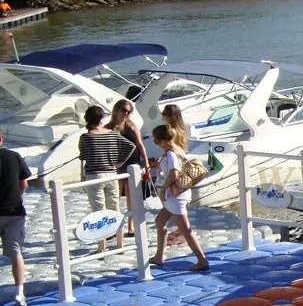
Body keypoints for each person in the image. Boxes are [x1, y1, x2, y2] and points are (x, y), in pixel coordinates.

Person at [148, 124, 208, 272]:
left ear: (163, 140)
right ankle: (159, 256)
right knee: (160, 221)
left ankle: (202, 260)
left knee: (185, 229)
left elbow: (174, 172)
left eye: (156, 141)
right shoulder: (178, 149)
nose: (156, 144)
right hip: (179, 194)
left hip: (175, 195)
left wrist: (164, 188)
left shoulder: (170, 153)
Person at [78, 105, 136, 253]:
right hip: (111, 173)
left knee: (98, 211)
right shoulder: (112, 134)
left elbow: (83, 156)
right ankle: (120, 244)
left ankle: (102, 247)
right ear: (101, 119)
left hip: (94, 176)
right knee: (115, 208)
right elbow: (130, 146)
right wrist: (119, 162)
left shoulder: (86, 137)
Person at [109, 98, 150, 236]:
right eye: (124, 110)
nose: (126, 114)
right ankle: (116, 226)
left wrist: (146, 163)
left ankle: (130, 226)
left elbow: (140, 144)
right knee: (115, 196)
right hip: (116, 164)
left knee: (130, 195)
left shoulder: (132, 126)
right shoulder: (109, 128)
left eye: (129, 111)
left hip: (132, 163)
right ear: (116, 110)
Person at [0, 132, 31, 306]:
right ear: (1, 139)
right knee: (16, 253)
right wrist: (17, 197)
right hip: (14, 211)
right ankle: (20, 293)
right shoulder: (14, 156)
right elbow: (24, 183)